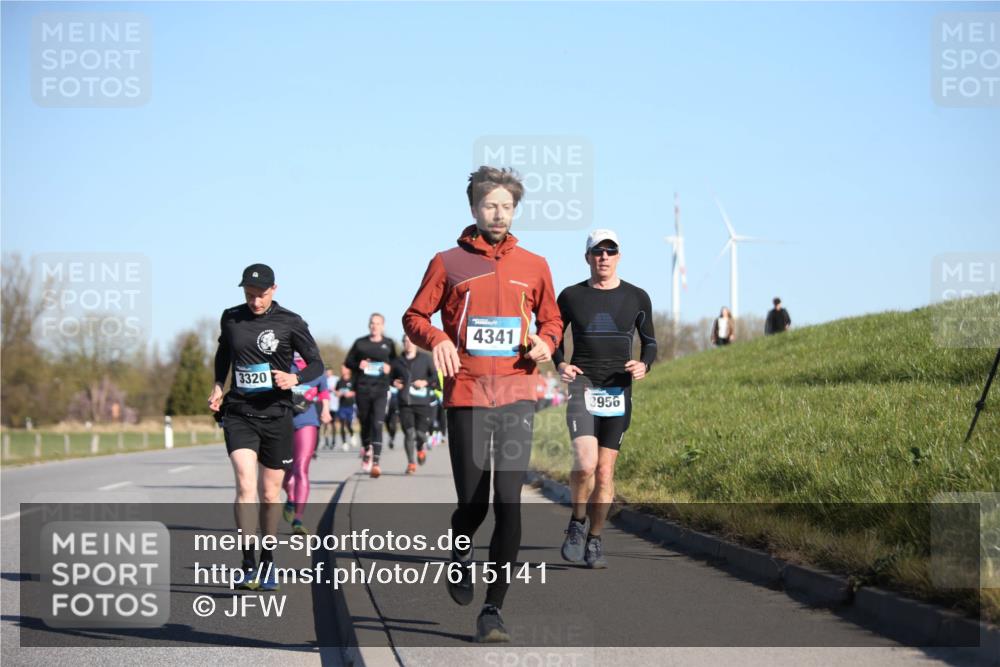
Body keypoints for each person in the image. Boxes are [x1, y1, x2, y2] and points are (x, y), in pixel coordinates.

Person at [403, 166, 562, 643]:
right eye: (489, 205)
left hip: (517, 394)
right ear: (474, 209)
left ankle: (493, 610)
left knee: (509, 503)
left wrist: (546, 342)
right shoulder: (448, 262)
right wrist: (436, 339)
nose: (498, 213)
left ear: (516, 210)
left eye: (506, 206)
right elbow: (414, 316)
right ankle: (459, 549)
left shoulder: (535, 265)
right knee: (473, 504)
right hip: (468, 395)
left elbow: (552, 320)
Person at [208, 263, 324, 591]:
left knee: (270, 494)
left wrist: (295, 377)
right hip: (240, 412)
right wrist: (219, 384)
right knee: (246, 484)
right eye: (248, 295)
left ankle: (268, 561)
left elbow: (316, 362)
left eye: (260, 295)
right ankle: (247, 563)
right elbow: (223, 353)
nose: (255, 302)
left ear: (274, 289)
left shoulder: (291, 322)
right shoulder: (231, 317)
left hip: (277, 414)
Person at [554, 230, 656, 569]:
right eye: (598, 251)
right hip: (583, 385)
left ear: (619, 256)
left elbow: (650, 342)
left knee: (605, 471)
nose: (604, 257)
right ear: (587, 257)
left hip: (618, 390)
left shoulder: (637, 297)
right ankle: (576, 523)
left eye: (611, 251)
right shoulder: (570, 295)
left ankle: (595, 540)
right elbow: (554, 337)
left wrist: (644, 364)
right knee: (585, 464)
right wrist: (560, 364)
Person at [281, 354, 331, 534]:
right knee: (283, 472)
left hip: (307, 421)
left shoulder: (316, 366)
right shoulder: (282, 362)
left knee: (301, 468)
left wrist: (325, 410)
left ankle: (298, 519)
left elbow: (324, 390)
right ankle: (291, 498)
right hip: (283, 422)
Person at [345, 313, 397, 477]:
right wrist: (359, 364)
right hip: (363, 388)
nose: (375, 326)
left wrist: (391, 369)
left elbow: (396, 363)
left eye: (378, 323)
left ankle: (376, 462)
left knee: (377, 423)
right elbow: (348, 362)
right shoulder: (360, 344)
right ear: (369, 326)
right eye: (372, 323)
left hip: (381, 389)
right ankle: (367, 448)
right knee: (366, 423)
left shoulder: (388, 344)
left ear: (383, 326)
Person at [391, 334, 439, 473]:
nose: (408, 344)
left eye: (411, 341)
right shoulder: (397, 361)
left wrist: (425, 382)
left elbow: (435, 377)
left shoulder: (425, 359)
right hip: (405, 402)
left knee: (420, 434)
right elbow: (389, 378)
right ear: (403, 343)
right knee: (409, 433)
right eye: (405, 341)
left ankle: (420, 448)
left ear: (416, 343)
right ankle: (411, 463)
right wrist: (393, 382)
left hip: (422, 403)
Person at [334, 365, 357, 451]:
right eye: (341, 368)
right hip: (342, 406)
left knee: (348, 424)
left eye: (344, 368)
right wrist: (337, 394)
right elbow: (336, 392)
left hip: (350, 406)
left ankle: (352, 434)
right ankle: (344, 443)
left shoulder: (353, 380)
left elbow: (356, 391)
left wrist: (351, 394)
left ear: (348, 370)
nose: (342, 370)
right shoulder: (339, 381)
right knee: (342, 424)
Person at [321, 367, 339, 449]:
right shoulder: (323, 379)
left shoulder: (336, 379)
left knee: (333, 424)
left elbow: (340, 391)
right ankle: (326, 442)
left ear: (331, 372)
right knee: (325, 424)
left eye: (329, 372)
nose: (328, 373)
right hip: (325, 406)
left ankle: (334, 442)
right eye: (326, 372)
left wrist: (334, 390)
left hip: (334, 406)